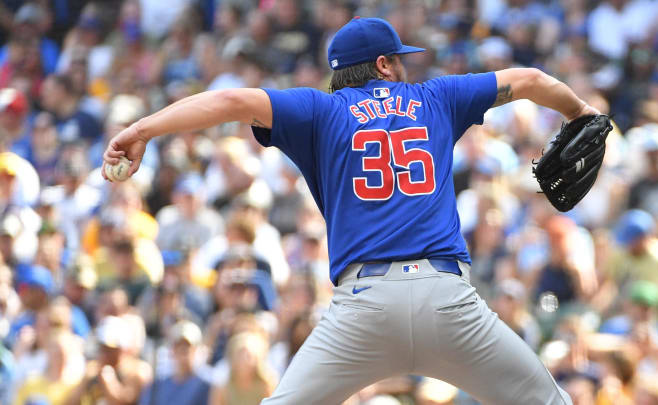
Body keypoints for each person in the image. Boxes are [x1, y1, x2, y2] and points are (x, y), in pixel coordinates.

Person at [103, 16, 600, 404]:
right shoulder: (436, 96)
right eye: (398, 58)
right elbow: (532, 78)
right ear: (383, 64)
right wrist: (580, 111)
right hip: (447, 301)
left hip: (363, 310)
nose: (404, 66)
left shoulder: (319, 110)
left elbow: (232, 99)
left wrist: (142, 129)